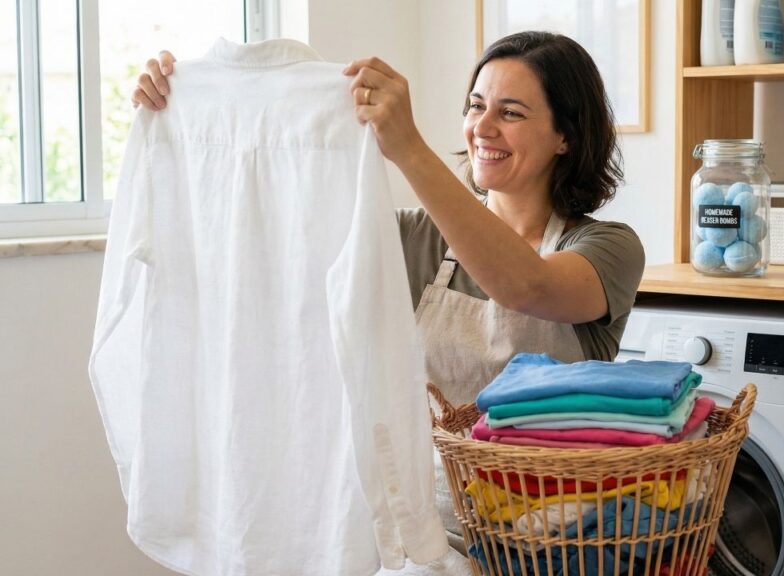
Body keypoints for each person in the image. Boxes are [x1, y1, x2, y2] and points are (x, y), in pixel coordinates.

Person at [133, 30, 645, 563]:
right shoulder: (409, 238)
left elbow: (524, 285)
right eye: (475, 105)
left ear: (566, 134)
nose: (483, 128)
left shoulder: (608, 248)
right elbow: (257, 251)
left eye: (511, 113)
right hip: (427, 532)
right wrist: (183, 118)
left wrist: (408, 148)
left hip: (555, 538)